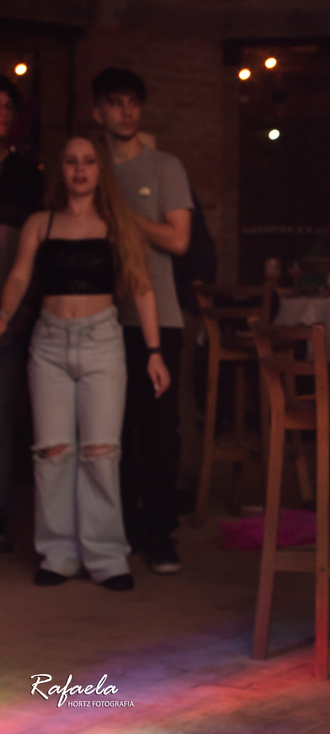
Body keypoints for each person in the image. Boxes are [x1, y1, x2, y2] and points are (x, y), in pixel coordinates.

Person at [0, 134, 169, 590]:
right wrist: (4, 314)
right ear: (61, 170)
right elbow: (19, 275)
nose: (80, 169)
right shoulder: (40, 224)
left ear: (99, 170)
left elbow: (141, 287)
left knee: (101, 452)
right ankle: (58, 554)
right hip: (49, 344)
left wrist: (154, 352)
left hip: (101, 342)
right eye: (72, 161)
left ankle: (106, 557)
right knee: (52, 453)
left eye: (89, 161)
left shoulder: (117, 225)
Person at [91, 68, 192, 573]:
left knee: (157, 431)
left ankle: (160, 532)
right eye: (116, 102)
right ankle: (125, 528)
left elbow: (179, 240)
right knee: (114, 428)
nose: (126, 111)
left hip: (161, 317)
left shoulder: (164, 166)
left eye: (133, 102)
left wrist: (121, 216)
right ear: (98, 112)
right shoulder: (91, 168)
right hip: (102, 317)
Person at [0, 75, 44, 553]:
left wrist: (23, 308)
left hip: (7, 314)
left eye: (7, 107)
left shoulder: (27, 176)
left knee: (2, 417)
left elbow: (35, 254)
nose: (0, 114)